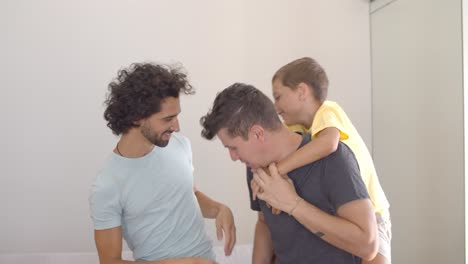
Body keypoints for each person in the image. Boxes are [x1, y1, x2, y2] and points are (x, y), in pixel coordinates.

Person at [200, 83, 378, 264]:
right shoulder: (256, 167)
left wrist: (293, 204)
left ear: (257, 133)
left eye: (233, 148)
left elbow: (368, 246)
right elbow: (264, 225)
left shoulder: (333, 159)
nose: (233, 157)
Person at [89, 62, 236, 264]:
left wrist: (219, 209)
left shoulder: (180, 145)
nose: (176, 126)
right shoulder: (108, 184)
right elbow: (109, 261)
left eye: (176, 116)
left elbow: (187, 195)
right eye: (168, 119)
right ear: (137, 117)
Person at [265, 57, 392, 264]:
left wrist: (277, 171)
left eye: (278, 97)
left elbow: (328, 144)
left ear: (301, 91)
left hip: (373, 213)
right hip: (343, 213)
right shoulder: (297, 129)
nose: (275, 106)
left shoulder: (328, 111)